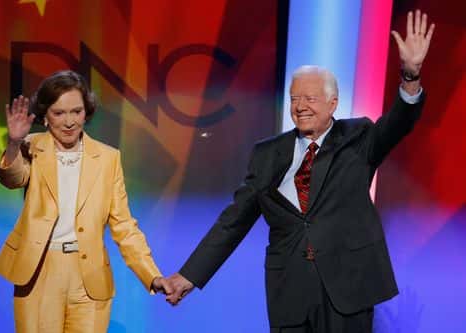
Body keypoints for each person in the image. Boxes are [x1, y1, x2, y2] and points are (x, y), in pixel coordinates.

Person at [165, 10, 435, 333]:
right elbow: (233, 221)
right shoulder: (266, 154)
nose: (300, 106)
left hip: (347, 292)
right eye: (294, 98)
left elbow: (398, 124)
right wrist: (189, 275)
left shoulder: (359, 137)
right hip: (289, 293)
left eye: (309, 98)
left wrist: (410, 76)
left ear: (333, 103)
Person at [0, 70, 172, 332]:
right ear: (45, 115)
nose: (69, 122)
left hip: (90, 276)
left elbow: (124, 226)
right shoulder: (31, 146)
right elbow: (12, 178)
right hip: (40, 271)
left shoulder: (108, 158)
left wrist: (151, 274)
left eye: (76, 112)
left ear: (86, 112)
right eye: (59, 113)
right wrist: (13, 143)